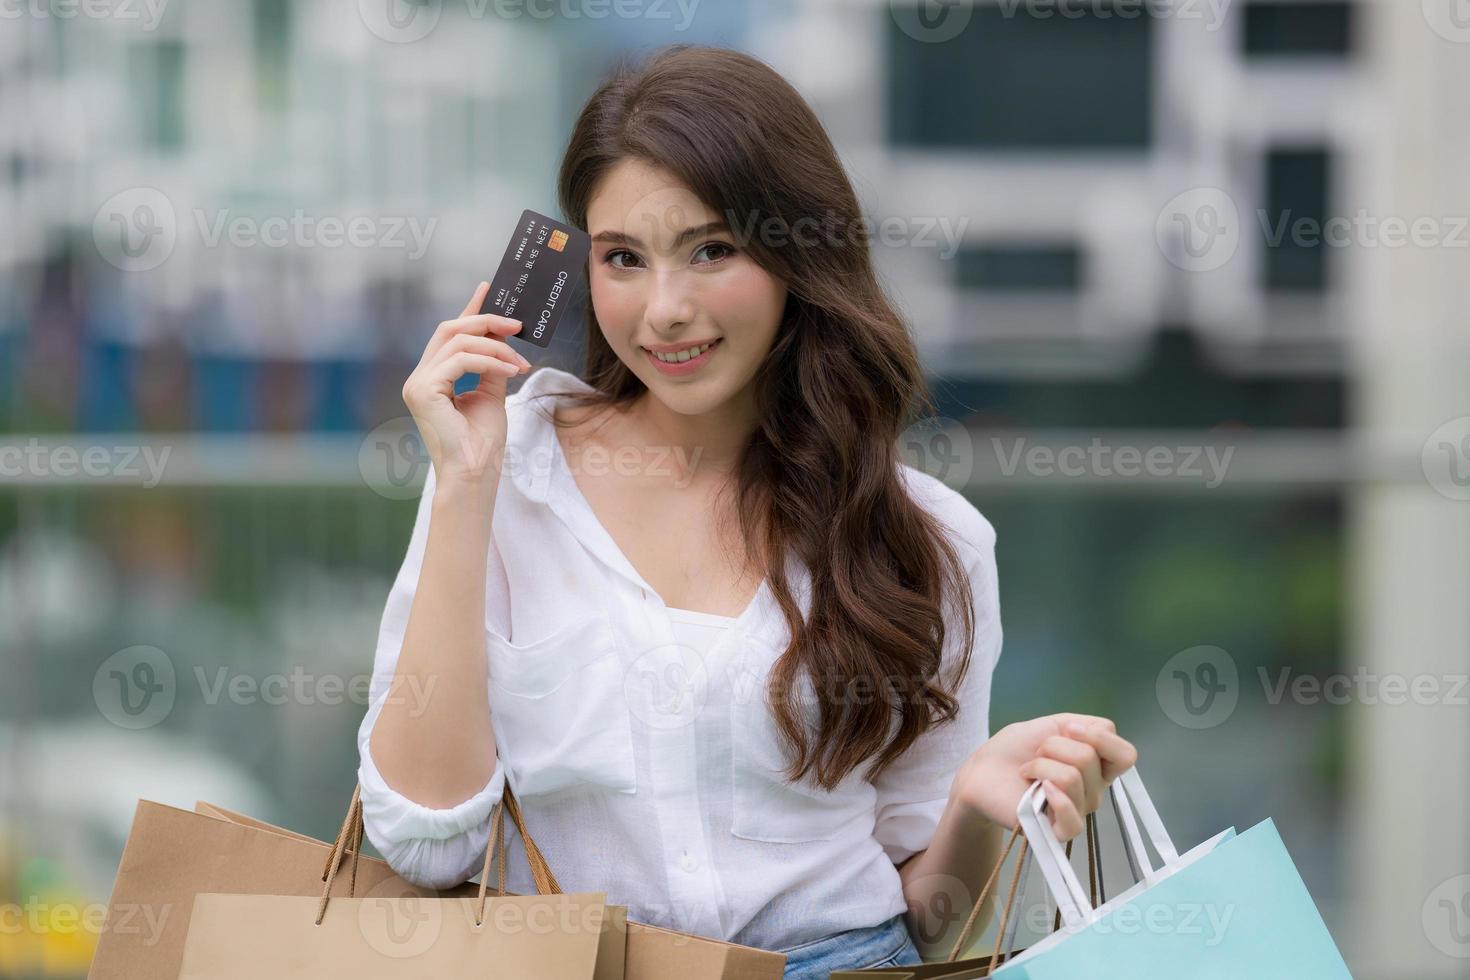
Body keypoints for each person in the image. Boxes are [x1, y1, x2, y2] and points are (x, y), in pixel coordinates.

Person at [357, 44, 1137, 978]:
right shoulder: (504, 478)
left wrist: (973, 806)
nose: (665, 311)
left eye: (712, 250)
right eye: (623, 259)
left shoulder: (929, 542)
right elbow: (423, 844)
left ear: (799, 252)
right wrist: (467, 483)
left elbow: (932, 928)